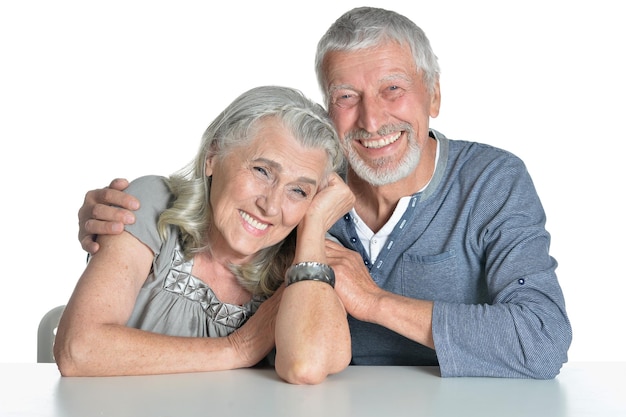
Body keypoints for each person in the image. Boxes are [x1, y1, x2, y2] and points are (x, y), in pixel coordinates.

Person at [77, 7, 572, 379]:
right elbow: (215, 206)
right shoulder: (298, 199)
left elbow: (543, 342)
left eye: (393, 89)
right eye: (347, 97)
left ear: (435, 95)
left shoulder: (493, 181)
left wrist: (375, 301)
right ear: (328, 110)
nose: (373, 120)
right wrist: (113, 218)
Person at [56, 85, 354, 384]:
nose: (271, 205)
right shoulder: (151, 203)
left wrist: (314, 225)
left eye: (299, 191)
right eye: (262, 171)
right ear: (213, 155)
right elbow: (78, 350)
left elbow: (308, 367)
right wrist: (237, 349)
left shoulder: (307, 264)